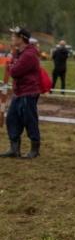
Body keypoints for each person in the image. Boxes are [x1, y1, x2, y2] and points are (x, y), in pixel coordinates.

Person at [0, 27, 42, 159]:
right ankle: (14, 149)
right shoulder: (19, 53)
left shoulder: (29, 55)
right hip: (19, 91)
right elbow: (12, 66)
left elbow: (14, 71)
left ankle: (34, 149)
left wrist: (11, 65)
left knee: (30, 120)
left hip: (28, 92)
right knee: (12, 119)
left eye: (14, 36)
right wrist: (12, 62)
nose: (11, 38)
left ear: (21, 39)